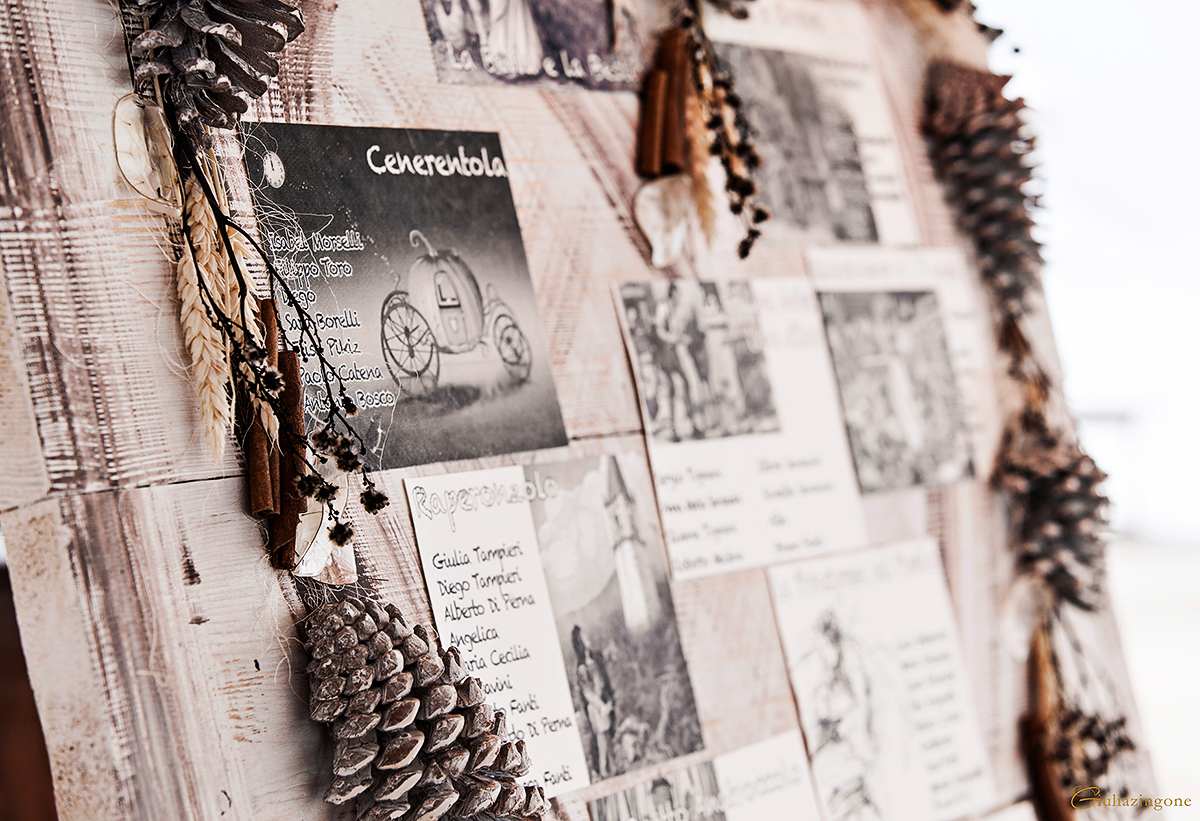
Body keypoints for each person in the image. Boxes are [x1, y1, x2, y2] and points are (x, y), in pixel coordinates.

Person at [573, 625, 616, 778]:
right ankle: (603, 768)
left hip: (602, 703)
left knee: (607, 736)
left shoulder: (593, 660)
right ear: (580, 642)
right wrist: (601, 706)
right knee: (601, 738)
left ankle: (611, 766)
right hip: (596, 707)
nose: (588, 639)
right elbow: (587, 692)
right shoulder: (582, 668)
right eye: (584, 637)